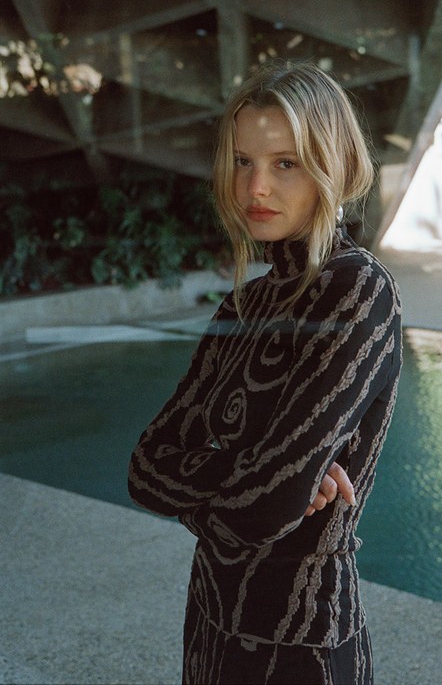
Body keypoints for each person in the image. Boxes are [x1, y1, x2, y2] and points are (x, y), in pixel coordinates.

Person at [128, 61, 402, 685]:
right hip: (209, 620)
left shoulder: (358, 291)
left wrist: (243, 481)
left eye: (285, 163)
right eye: (243, 161)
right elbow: (144, 469)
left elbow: (265, 507)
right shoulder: (243, 305)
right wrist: (267, 472)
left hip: (300, 640)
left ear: (332, 166)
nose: (256, 187)